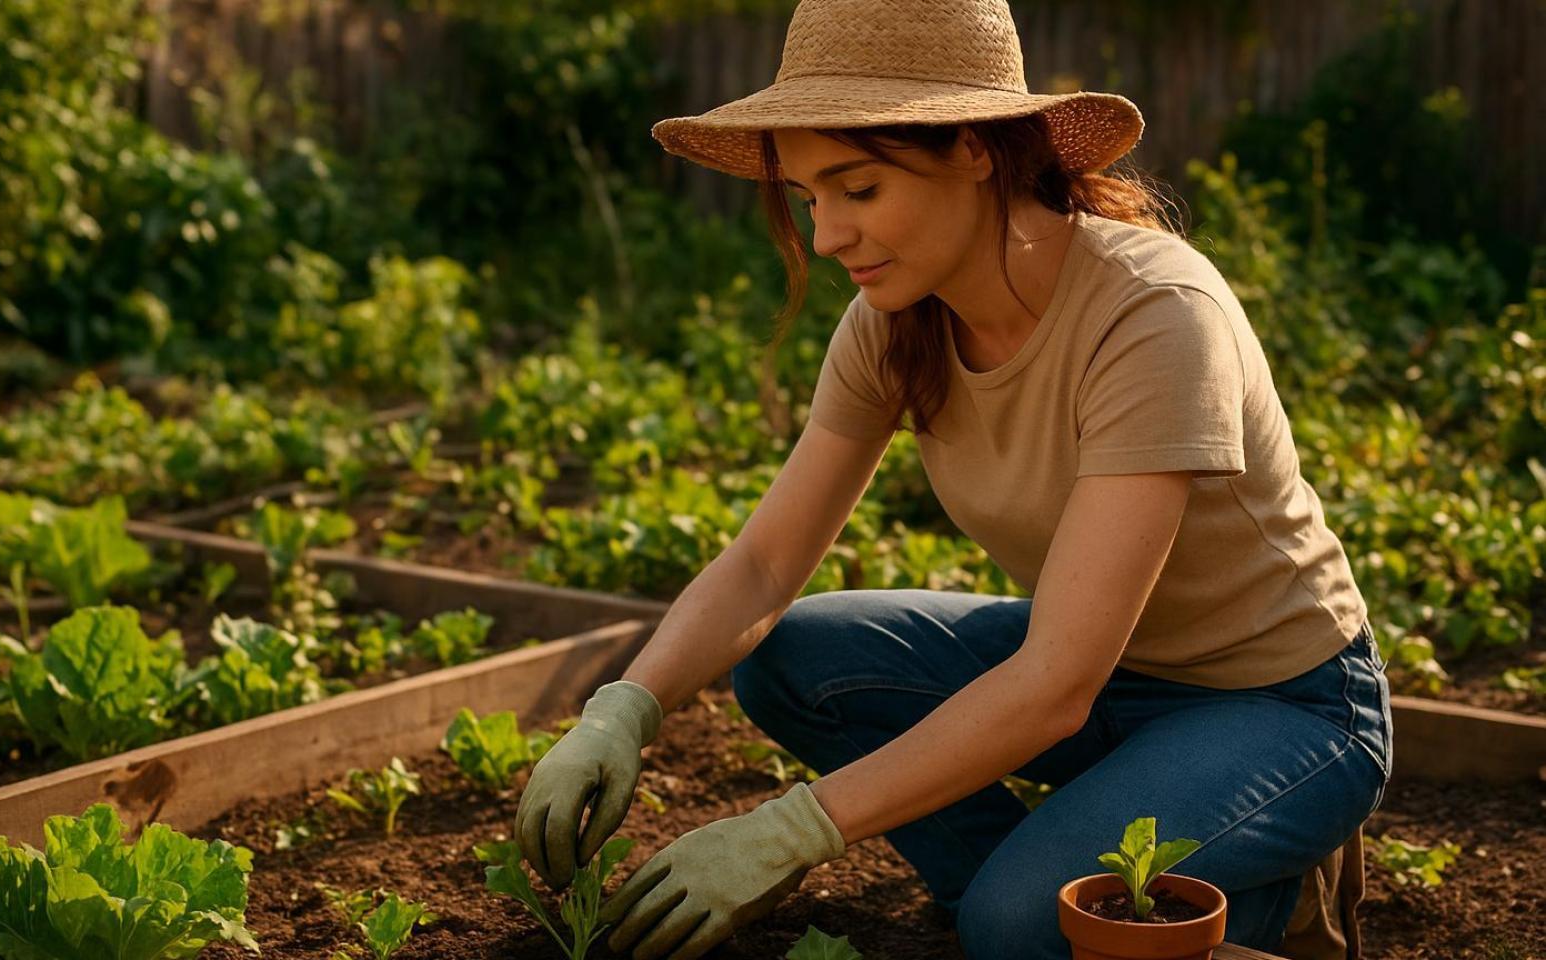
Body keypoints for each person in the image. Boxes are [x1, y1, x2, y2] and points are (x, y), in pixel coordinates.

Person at [512, 1, 1393, 958]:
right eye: (811, 197)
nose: (828, 237)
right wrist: (623, 711)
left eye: (858, 188)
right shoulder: (897, 323)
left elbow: (1056, 683)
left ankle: (1231, 901)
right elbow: (768, 566)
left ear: (973, 148)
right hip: (1113, 677)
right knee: (793, 660)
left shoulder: (1153, 317)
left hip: (1281, 706)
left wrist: (791, 830)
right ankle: (1056, 899)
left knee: (1018, 929)